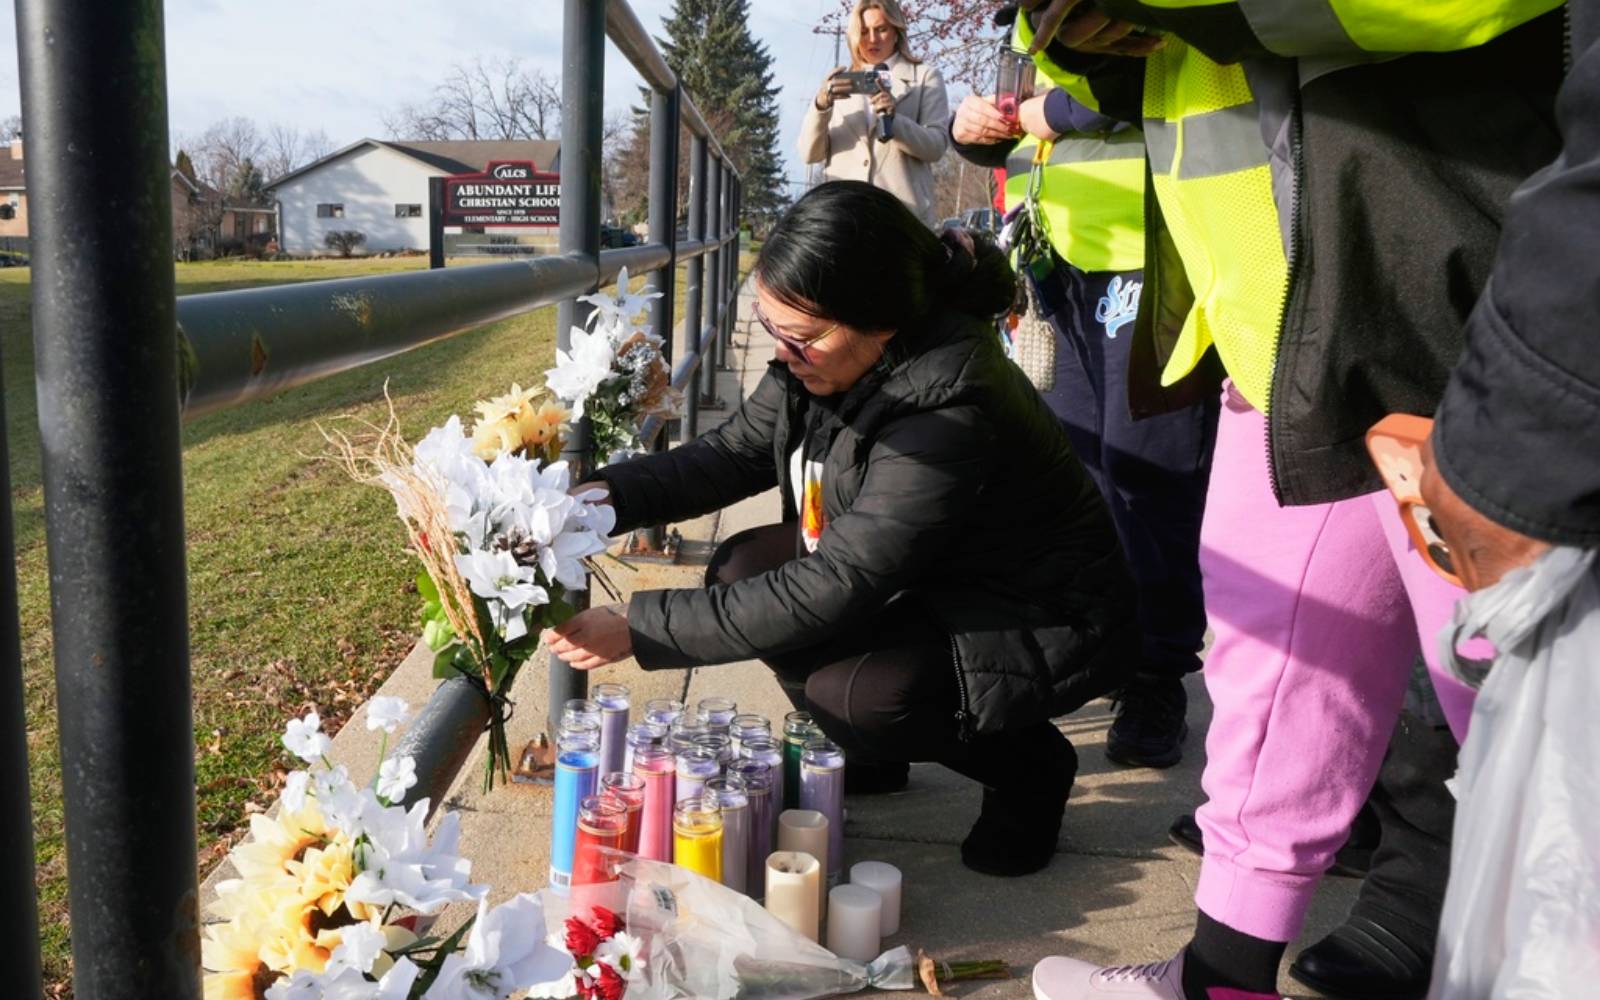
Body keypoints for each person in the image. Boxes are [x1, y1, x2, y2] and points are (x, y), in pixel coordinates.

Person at [1005, 2, 1565, 999]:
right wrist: (1075, 36)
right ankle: (1216, 977)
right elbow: (1168, 79)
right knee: (1272, 671)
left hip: (1445, 312)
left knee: (1535, 725)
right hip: (1289, 324)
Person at [544, 180, 1140, 878]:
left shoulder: (948, 405)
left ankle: (1030, 768)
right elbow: (725, 457)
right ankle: (872, 757)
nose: (784, 353)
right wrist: (592, 502)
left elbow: (840, 582)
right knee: (742, 565)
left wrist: (641, 627)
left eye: (798, 337)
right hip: (935, 575)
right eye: (772, 329)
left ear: (881, 319)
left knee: (858, 695)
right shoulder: (821, 362)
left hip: (1038, 611)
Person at [949, 13, 1217, 771]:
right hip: (1058, 264)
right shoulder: (1028, 19)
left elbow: (1167, 71)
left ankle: (1157, 674)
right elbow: (1014, 130)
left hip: (1153, 254)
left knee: (1151, 476)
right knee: (1075, 476)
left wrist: (1047, 112)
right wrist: (972, 126)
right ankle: (1100, 652)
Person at [798, 0, 950, 226]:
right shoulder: (838, 82)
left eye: (881, 29)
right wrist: (821, 106)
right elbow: (810, 154)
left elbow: (936, 147)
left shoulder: (926, 78)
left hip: (903, 221)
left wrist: (895, 122)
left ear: (896, 32)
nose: (872, 39)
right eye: (864, 31)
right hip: (845, 220)